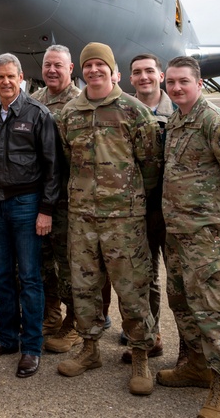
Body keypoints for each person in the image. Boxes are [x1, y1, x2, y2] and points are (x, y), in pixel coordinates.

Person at [54, 42, 163, 396]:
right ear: (81, 70)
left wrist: (130, 200)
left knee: (132, 289)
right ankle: (89, 349)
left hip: (124, 219)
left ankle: (140, 354)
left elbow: (150, 164)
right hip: (83, 217)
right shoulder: (70, 113)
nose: (94, 70)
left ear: (111, 68)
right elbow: (67, 160)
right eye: (89, 65)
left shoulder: (133, 111)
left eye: (101, 64)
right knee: (84, 286)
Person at [156, 56, 220, 418]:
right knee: (182, 302)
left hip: (207, 237)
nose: (177, 87)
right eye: (172, 82)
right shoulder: (178, 121)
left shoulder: (214, 122)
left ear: (198, 83)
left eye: (184, 81)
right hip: (178, 233)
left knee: (214, 311)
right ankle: (196, 366)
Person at [0, 53, 60, 379]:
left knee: (30, 278)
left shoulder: (38, 114)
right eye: (0, 77)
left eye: (11, 76)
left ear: (21, 77)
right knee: (2, 276)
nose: (6, 82)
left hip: (27, 205)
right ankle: (6, 338)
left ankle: (31, 347)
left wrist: (45, 210)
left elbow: (53, 166)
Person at [120, 53, 174, 362]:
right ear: (130, 79)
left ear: (160, 75)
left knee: (181, 282)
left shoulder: (180, 111)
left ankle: (192, 354)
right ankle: (151, 336)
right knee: (145, 277)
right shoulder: (124, 112)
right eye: (137, 72)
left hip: (174, 210)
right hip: (139, 210)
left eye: (149, 71)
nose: (144, 77)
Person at [30, 45, 81, 354]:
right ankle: (51, 315)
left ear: (70, 68)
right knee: (43, 261)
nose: (51, 70)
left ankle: (75, 323)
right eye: (47, 64)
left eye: (58, 66)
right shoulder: (34, 103)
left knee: (69, 264)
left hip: (69, 200)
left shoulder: (80, 103)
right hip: (39, 197)